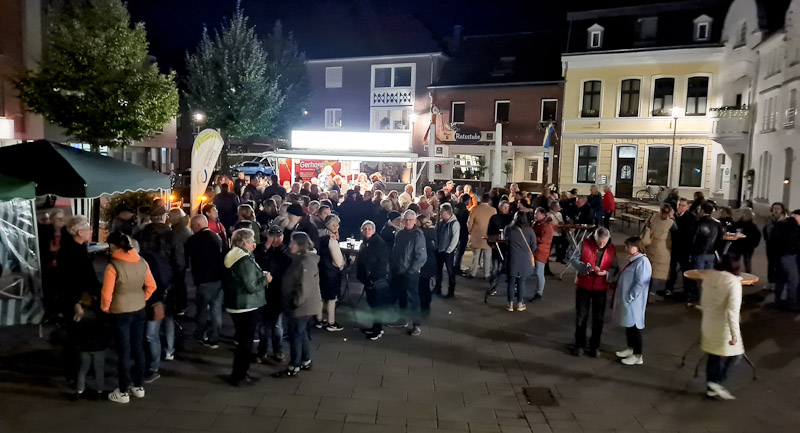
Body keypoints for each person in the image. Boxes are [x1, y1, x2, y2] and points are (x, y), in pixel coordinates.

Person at [100, 231, 157, 404]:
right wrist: (142, 298)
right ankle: (138, 386)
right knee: (138, 348)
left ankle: (123, 390)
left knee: (124, 351)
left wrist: (106, 308)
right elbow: (151, 286)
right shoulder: (142, 262)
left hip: (120, 311)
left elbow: (107, 293)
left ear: (113, 246)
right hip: (139, 309)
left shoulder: (113, 266)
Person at [135, 206, 185, 382]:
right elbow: (179, 262)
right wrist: (179, 282)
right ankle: (169, 350)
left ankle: (153, 361)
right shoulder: (172, 236)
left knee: (152, 323)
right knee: (168, 316)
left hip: (146, 283)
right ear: (164, 217)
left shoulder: (140, 235)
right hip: (168, 282)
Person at [57, 216, 102, 383]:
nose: (91, 232)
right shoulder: (74, 252)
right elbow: (72, 280)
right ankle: (76, 373)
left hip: (77, 299)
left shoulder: (72, 249)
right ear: (80, 232)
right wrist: (77, 302)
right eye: (88, 229)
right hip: (78, 301)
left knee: (75, 336)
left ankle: (76, 372)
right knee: (76, 337)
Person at [223, 228, 268, 386]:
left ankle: (239, 373)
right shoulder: (244, 260)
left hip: (236, 303)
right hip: (246, 306)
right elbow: (251, 286)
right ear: (244, 242)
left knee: (242, 342)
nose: (254, 244)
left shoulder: (233, 255)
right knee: (245, 343)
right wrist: (266, 279)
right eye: (251, 241)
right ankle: (240, 376)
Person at [275, 232, 321, 377]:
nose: (290, 245)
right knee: (302, 333)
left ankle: (294, 365)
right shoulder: (301, 259)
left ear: (300, 245)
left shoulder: (305, 262)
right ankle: (305, 360)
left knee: (295, 334)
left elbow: (304, 287)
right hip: (303, 306)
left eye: (292, 243)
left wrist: (295, 303)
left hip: (301, 307)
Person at [701, 254, 745, 400]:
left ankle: (711, 388)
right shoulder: (733, 283)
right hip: (724, 326)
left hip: (709, 322)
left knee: (713, 355)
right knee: (736, 355)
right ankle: (717, 382)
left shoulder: (708, 277)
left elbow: (704, 301)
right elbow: (733, 311)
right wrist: (734, 335)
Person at [571, 227, 618, 357]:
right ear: (595, 238)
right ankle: (579, 345)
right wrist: (586, 268)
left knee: (598, 319)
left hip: (601, 288)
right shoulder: (584, 244)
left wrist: (606, 273)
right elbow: (573, 260)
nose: (602, 244)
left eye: (604, 242)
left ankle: (594, 346)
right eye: (599, 241)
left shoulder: (611, 249)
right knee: (581, 317)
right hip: (583, 286)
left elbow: (615, 268)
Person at [186, 215, 224, 348]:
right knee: (216, 309)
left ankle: (200, 333)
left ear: (198, 225)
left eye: (192, 226)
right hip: (217, 278)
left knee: (202, 309)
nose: (191, 228)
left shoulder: (193, 240)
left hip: (202, 279)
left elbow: (187, 258)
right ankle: (214, 337)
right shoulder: (217, 238)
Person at [614, 237, 652, 366]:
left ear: (637, 247)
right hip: (628, 300)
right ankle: (630, 348)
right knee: (628, 324)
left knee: (634, 327)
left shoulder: (642, 262)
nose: (626, 248)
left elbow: (640, 283)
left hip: (634, 301)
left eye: (629, 246)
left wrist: (630, 297)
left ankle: (637, 355)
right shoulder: (632, 259)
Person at [256, 225, 292, 362]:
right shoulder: (262, 249)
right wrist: (266, 247)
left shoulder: (286, 251)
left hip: (278, 292)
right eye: (273, 237)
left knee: (277, 325)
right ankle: (262, 350)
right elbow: (257, 262)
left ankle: (277, 350)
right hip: (264, 292)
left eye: (278, 237)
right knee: (263, 325)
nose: (276, 240)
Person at [391, 210, 427, 336]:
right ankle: (403, 319)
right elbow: (395, 251)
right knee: (402, 296)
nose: (408, 222)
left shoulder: (418, 235)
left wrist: (411, 270)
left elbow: (421, 256)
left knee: (413, 298)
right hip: (399, 270)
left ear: (415, 221)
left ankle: (416, 325)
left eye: (410, 220)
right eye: (406, 219)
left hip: (410, 273)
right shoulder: (400, 233)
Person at [71, 289, 109, 401]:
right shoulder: (99, 314)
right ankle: (99, 391)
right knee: (99, 370)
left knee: (83, 369)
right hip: (99, 346)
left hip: (84, 347)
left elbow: (75, 331)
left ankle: (79, 390)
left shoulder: (80, 316)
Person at [357, 220, 392, 340]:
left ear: (374, 230)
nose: (367, 231)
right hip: (368, 279)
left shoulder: (378, 243)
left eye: (369, 229)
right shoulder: (366, 243)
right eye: (365, 229)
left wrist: (373, 277)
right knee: (372, 303)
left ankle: (378, 329)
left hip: (376, 279)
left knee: (377, 304)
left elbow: (382, 262)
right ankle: (375, 326)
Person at [688, 202, 721, 305]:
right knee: (709, 277)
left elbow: (693, 239)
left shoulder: (698, 223)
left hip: (699, 253)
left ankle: (700, 298)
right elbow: (720, 239)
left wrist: (691, 252)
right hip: (711, 253)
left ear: (702, 210)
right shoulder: (717, 223)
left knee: (699, 277)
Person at [316, 215, 345, 331]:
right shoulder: (331, 239)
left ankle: (319, 319)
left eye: (337, 225)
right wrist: (342, 265)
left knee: (321, 297)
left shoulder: (319, 237)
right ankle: (331, 322)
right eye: (333, 225)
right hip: (331, 272)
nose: (336, 227)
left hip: (320, 270)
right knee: (331, 299)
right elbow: (338, 260)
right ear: (328, 226)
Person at [663, 198, 696, 298]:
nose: (680, 207)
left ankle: (687, 290)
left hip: (684, 248)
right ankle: (669, 288)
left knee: (685, 269)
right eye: (679, 205)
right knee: (671, 269)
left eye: (683, 205)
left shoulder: (691, 218)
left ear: (687, 207)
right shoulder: (675, 216)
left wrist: (674, 222)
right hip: (673, 247)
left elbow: (685, 232)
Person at [504, 212, 537, 312]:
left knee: (511, 281)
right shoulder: (529, 230)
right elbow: (534, 246)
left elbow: (506, 242)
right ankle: (520, 304)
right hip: (525, 259)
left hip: (512, 258)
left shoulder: (508, 229)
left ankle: (510, 304)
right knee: (521, 281)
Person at [642, 204, 675, 295]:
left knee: (649, 267)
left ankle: (644, 288)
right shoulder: (671, 222)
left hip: (650, 245)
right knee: (657, 271)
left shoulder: (652, 218)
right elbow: (676, 234)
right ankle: (652, 290)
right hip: (663, 248)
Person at [772, 210, 800, 309]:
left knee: (780, 278)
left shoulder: (781, 224)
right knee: (793, 279)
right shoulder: (793, 226)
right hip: (789, 254)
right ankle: (791, 301)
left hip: (779, 255)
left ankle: (778, 299)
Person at [467, 194, 497, 279]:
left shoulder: (475, 209)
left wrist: (470, 231)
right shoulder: (493, 210)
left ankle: (473, 272)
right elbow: (495, 223)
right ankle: (487, 273)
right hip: (488, 236)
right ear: (489, 201)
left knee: (476, 255)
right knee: (487, 255)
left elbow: (470, 222)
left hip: (477, 235)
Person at [168, 208, 192, 314]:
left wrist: (177, 266)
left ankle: (180, 306)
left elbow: (178, 251)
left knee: (179, 286)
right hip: (183, 263)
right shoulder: (184, 228)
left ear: (177, 218)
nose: (168, 218)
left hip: (179, 264)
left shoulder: (177, 233)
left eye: (170, 216)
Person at [434, 203, 460, 298]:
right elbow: (436, 234)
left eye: (441, 213)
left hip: (448, 252)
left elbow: (455, 238)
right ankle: (437, 287)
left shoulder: (454, 223)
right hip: (439, 249)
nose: (440, 215)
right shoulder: (440, 222)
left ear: (447, 213)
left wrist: (449, 250)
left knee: (450, 271)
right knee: (438, 270)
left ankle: (451, 291)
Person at [487, 200, 514, 290]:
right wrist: (491, 243)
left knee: (508, 267)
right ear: (499, 207)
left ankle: (512, 288)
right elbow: (489, 232)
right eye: (504, 207)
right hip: (496, 246)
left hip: (507, 247)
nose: (506, 209)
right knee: (495, 268)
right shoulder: (494, 218)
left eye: (507, 207)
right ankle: (493, 286)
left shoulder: (511, 219)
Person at [416, 214, 437, 319]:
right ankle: (426, 308)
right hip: (431, 262)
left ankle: (423, 309)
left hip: (423, 263)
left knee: (421, 287)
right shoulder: (433, 232)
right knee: (426, 286)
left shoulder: (420, 234)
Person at [763, 202, 787, 290]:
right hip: (770, 246)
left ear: (782, 210)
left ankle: (777, 283)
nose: (776, 210)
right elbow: (765, 231)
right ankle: (770, 282)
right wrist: (767, 240)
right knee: (771, 264)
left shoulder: (785, 221)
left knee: (778, 265)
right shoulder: (769, 220)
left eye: (778, 209)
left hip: (781, 247)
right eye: (774, 208)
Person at [531, 207, 554, 301]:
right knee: (537, 271)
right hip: (538, 250)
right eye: (535, 214)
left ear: (543, 215)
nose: (535, 216)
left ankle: (539, 292)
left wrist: (532, 237)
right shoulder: (540, 224)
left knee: (539, 272)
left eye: (537, 214)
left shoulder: (546, 226)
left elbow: (543, 240)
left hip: (541, 251)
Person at [732, 209, 761, 274]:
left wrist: (754, 244)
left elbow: (757, 236)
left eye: (747, 214)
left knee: (747, 260)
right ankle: (734, 273)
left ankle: (748, 274)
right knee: (735, 260)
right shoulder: (738, 223)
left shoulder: (753, 226)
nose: (745, 215)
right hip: (738, 245)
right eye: (744, 214)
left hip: (748, 246)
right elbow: (733, 231)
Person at [453, 194, 472, 274]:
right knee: (461, 249)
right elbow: (465, 221)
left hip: (456, 229)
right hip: (463, 230)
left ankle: (454, 265)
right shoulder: (464, 210)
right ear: (467, 200)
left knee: (456, 248)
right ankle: (456, 266)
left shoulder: (456, 207)